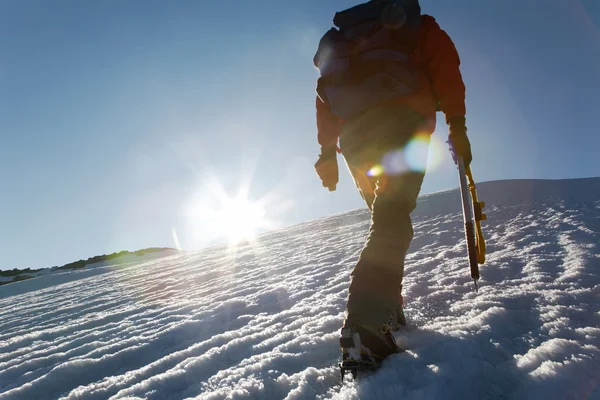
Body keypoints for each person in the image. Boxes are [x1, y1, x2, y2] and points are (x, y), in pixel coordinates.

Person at [313, 0, 473, 366]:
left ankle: (386, 309)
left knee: (385, 215)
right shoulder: (416, 25)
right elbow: (446, 70)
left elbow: (325, 95)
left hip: (355, 138)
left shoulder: (345, 40)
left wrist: (326, 152)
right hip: (403, 123)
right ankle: (367, 325)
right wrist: (457, 125)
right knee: (392, 213)